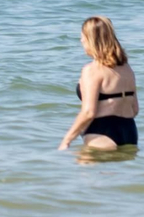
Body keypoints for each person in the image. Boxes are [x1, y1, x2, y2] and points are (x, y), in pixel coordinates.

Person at [59, 17, 138, 150]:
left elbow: (89, 112)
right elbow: (135, 109)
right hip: (129, 132)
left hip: (101, 133)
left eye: (83, 36)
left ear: (92, 39)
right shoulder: (127, 69)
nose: (81, 40)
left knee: (84, 170)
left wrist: (66, 140)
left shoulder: (92, 70)